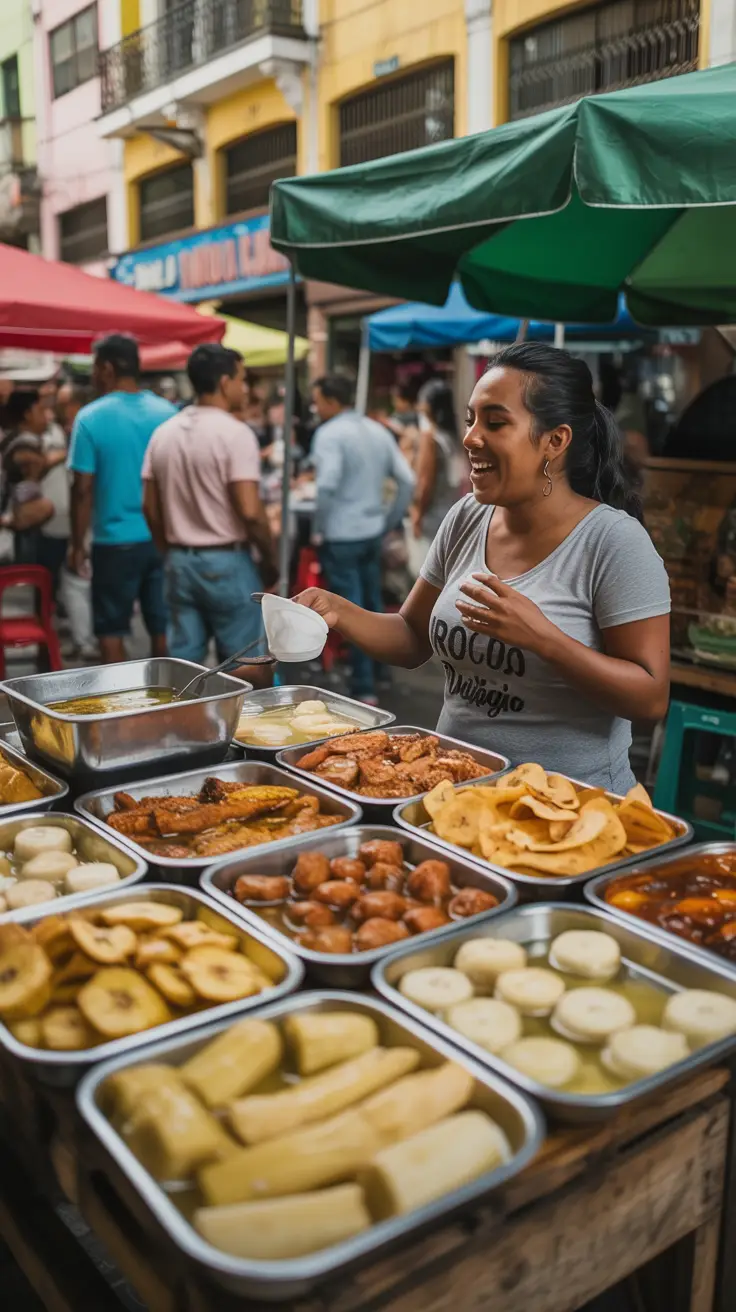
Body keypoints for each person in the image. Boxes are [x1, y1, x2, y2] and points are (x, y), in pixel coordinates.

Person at [297, 344, 671, 790]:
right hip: (453, 792)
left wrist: (543, 639)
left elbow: (650, 699)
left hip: (567, 808)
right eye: (472, 419)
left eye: (495, 422)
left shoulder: (613, 542)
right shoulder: (467, 517)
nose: (471, 437)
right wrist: (338, 611)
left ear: (555, 441)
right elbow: (413, 637)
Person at [142, 343, 278, 664]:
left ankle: (184, 716)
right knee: (244, 666)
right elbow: (250, 510)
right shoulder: (235, 433)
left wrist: (169, 550)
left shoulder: (164, 433)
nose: (245, 388)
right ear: (224, 382)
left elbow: (149, 506)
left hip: (180, 561)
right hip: (226, 562)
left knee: (184, 665)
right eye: (242, 379)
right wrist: (271, 559)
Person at [68, 334, 176, 664]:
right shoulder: (168, 412)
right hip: (162, 538)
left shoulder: (89, 417)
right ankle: (168, 702)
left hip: (114, 542)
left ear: (108, 368)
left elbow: (82, 490)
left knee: (111, 629)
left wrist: (77, 544)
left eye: (95, 368)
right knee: (163, 625)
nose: (93, 376)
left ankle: (122, 711)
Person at [310, 374, 415, 703]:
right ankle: (381, 674)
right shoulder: (376, 429)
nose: (315, 407)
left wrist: (318, 526)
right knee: (372, 605)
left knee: (349, 612)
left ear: (330, 400)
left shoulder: (329, 434)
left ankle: (363, 688)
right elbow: (407, 481)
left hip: (341, 535)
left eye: (317, 400)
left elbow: (326, 485)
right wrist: (389, 519)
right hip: (372, 532)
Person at [408, 378, 466, 576]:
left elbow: (424, 481)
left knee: (427, 577)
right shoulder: (456, 437)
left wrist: (417, 514)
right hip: (456, 512)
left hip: (433, 517)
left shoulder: (430, 438)